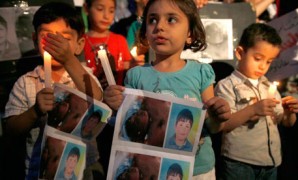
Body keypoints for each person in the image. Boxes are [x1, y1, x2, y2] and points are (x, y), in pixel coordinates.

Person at [103, 0, 231, 179]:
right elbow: (128, 127)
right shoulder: (136, 76)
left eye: (171, 20)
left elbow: (213, 125)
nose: (159, 27)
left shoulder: (201, 72)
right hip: (151, 169)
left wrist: (218, 115)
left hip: (197, 170)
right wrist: (115, 105)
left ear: (190, 34)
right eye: (152, 20)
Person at [2, 2, 103, 179]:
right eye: (47, 37)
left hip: (82, 169)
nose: (57, 44)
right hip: (40, 170)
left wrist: (69, 60)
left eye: (64, 38)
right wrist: (35, 111)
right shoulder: (26, 83)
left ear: (79, 44)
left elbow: (98, 100)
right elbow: (11, 129)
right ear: (35, 41)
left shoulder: (83, 76)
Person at [214, 23, 298, 179]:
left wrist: (289, 112)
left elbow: (285, 122)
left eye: (269, 62)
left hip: (271, 161)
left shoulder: (268, 86)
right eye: (258, 58)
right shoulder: (227, 86)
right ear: (240, 53)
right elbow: (223, 125)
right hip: (240, 162)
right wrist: (252, 110)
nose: (263, 66)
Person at [83, 0, 142, 88]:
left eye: (111, 11)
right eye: (100, 9)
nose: (106, 16)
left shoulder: (119, 40)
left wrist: (134, 65)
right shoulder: (81, 41)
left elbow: (125, 68)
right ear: (86, 8)